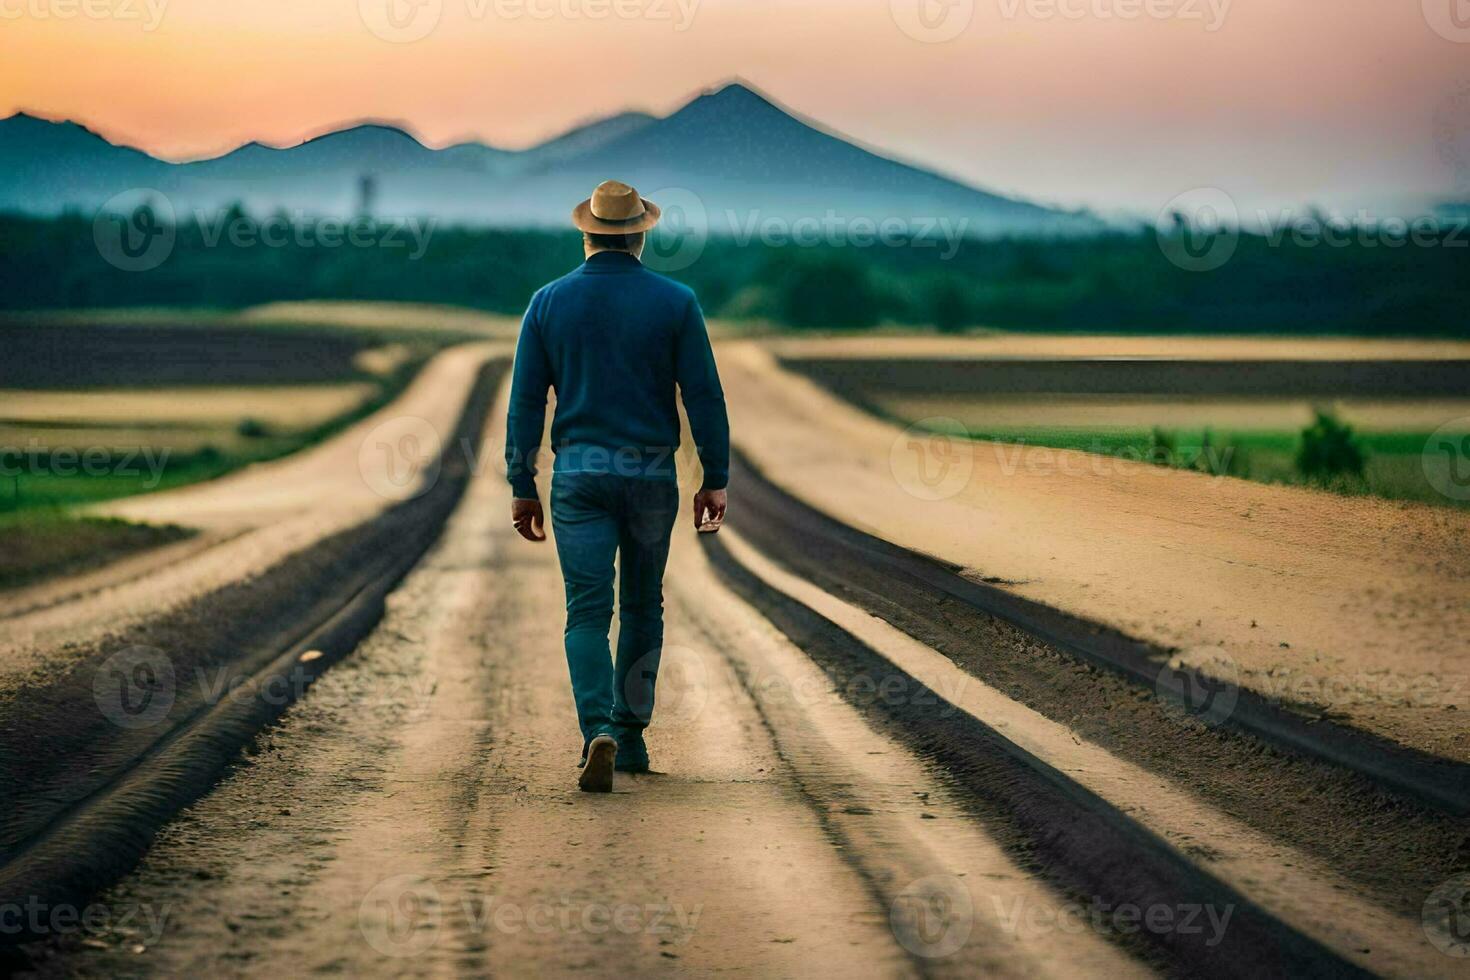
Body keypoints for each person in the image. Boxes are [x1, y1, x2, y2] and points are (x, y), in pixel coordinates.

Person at [504, 180, 730, 793]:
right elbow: (703, 395)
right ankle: (629, 738)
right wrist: (716, 476)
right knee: (641, 605)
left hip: (578, 475)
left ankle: (596, 728)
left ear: (587, 235)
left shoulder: (547, 302)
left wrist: (521, 482)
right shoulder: (676, 301)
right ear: (640, 236)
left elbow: (526, 400)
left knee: (586, 611)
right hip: (652, 474)